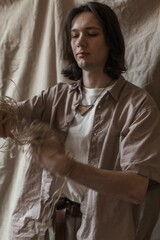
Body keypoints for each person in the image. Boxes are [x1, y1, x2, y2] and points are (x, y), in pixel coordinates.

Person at [1, 1, 160, 240]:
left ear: (111, 41)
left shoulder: (137, 106)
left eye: (92, 34)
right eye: (74, 35)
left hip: (101, 230)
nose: (80, 42)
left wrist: (68, 167)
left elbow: (135, 189)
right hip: (46, 226)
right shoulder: (55, 97)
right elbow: (12, 120)